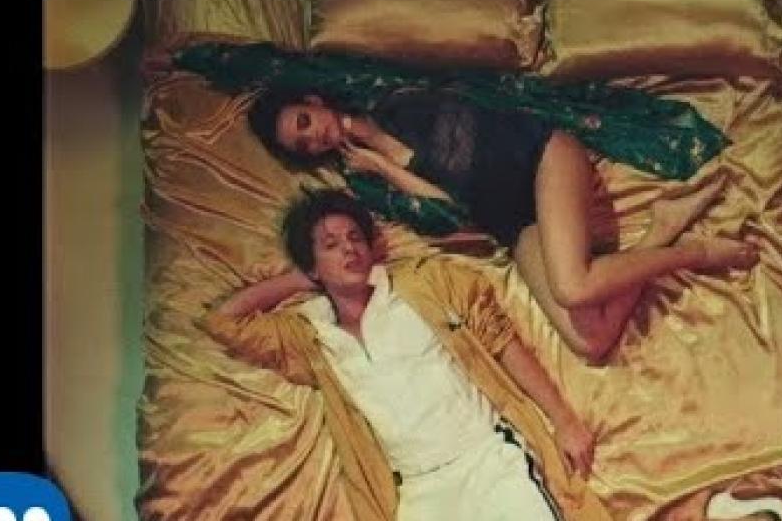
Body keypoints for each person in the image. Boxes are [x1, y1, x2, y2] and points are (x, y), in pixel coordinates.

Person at [219, 82, 759, 364]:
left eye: (306, 121)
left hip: (539, 158)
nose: (314, 138)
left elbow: (463, 160)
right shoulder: (363, 182)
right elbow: (449, 211)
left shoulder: (394, 102)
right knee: (590, 341)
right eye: (303, 144)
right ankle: (663, 229)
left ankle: (700, 254)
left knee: (573, 287)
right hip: (510, 219)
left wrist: (381, 150)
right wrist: (381, 169)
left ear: (315, 101)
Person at [203, 190, 611, 521]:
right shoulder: (309, 333)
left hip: (487, 457)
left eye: (355, 238)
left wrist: (564, 420)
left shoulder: (425, 284)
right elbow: (223, 321)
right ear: (312, 265)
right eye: (331, 245)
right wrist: (301, 280)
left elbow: (503, 344)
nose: (349, 249)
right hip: (420, 491)